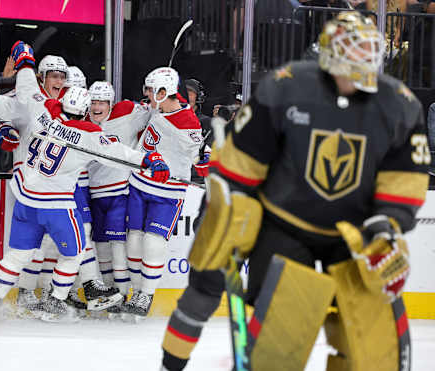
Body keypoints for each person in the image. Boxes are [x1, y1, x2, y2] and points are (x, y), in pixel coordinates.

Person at [161, 11, 430, 370]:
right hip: (284, 224)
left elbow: (405, 176)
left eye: (368, 55)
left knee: (374, 342)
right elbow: (241, 164)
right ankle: (171, 363)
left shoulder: (399, 104)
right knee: (280, 337)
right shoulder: (286, 86)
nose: (362, 64)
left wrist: (388, 223)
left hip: (353, 232)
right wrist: (218, 210)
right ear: (331, 55)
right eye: (354, 53)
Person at [0, 41, 170, 322]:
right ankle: (55, 301)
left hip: (26, 200)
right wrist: (149, 160)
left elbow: (27, 88)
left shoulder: (41, 113)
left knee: (16, 256)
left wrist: (23, 61)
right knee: (76, 254)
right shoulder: (88, 136)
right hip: (56, 205)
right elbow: (117, 153)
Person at [123, 66, 207, 321]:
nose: (146, 94)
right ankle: (136, 293)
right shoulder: (156, 109)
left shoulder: (188, 122)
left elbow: (197, 156)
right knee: (134, 241)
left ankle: (146, 295)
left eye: (151, 90)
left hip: (168, 192)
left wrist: (204, 160)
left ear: (164, 91)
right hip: (140, 184)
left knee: (153, 242)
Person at [86, 80, 151, 318]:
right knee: (102, 248)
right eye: (93, 101)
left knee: (118, 248)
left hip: (120, 192)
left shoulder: (128, 114)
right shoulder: (83, 124)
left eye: (102, 102)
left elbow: (155, 110)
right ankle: (109, 299)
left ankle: (124, 297)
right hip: (95, 193)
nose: (97, 106)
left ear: (110, 103)